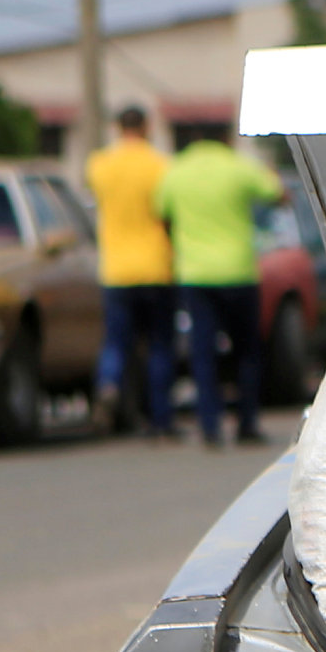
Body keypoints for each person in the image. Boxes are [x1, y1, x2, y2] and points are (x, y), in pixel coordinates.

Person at [155, 120, 283, 448]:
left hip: (195, 274)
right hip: (238, 270)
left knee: (203, 352)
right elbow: (278, 195)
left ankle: (210, 426)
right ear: (226, 138)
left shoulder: (176, 170)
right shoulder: (239, 167)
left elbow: (161, 213)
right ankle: (247, 422)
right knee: (247, 351)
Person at [84, 106, 178, 439]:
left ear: (116, 127)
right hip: (156, 266)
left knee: (116, 343)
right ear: (147, 127)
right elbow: (168, 214)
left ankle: (108, 385)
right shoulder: (161, 165)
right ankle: (161, 419)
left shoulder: (99, 165)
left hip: (116, 269)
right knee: (159, 346)